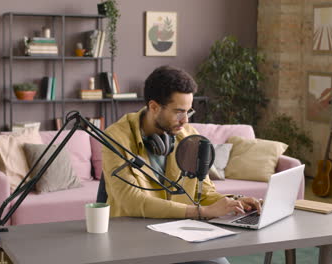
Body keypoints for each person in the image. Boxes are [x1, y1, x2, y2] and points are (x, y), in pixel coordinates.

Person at [102, 66, 262, 264]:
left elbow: (203, 192)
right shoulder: (115, 138)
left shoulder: (189, 136)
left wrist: (233, 202)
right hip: (134, 238)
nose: (185, 120)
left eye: (188, 111)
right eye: (179, 112)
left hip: (180, 233)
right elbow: (131, 201)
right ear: (153, 107)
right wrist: (200, 212)